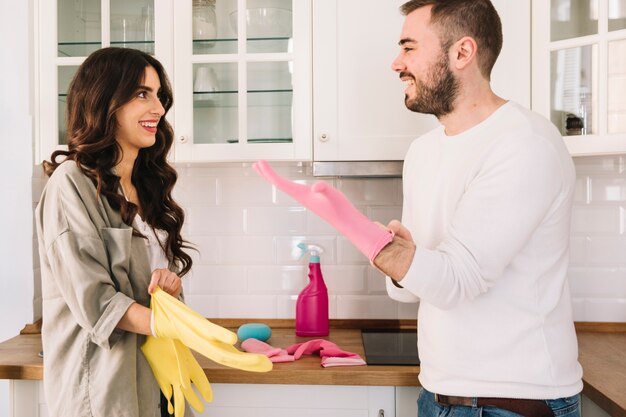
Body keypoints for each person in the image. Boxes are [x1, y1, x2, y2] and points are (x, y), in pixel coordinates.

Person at [373, 1, 584, 416]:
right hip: (437, 395)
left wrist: (386, 251)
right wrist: (398, 263)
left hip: (514, 402)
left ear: (462, 52)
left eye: (409, 47)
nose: (396, 62)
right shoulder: (422, 152)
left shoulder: (524, 144)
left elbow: (459, 278)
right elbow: (414, 288)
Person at [36, 47, 193, 417]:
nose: (159, 108)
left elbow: (147, 289)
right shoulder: (70, 184)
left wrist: (168, 293)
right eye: (142, 94)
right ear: (105, 101)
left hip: (154, 383)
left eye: (159, 96)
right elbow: (98, 302)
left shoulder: (144, 186)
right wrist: (180, 326)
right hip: (102, 392)